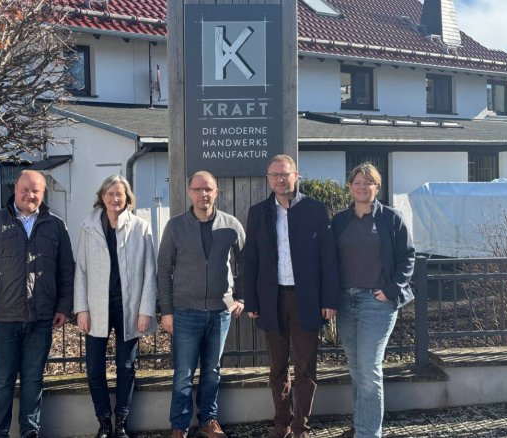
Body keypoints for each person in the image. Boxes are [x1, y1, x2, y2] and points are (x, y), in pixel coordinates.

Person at [0, 169, 75, 438]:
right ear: (15, 189)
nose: (30, 195)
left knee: (34, 381)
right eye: (25, 189)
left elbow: (66, 271)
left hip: (41, 319)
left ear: (43, 193)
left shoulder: (56, 226)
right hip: (3, 320)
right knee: (2, 383)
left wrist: (63, 306)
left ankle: (30, 432)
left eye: (36, 190)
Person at [244, 154, 341, 438]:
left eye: (284, 174)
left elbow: (328, 259)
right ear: (268, 178)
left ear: (295, 176)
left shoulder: (315, 209)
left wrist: (330, 299)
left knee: (305, 368)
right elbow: (251, 260)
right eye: (274, 175)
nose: (280, 179)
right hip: (271, 300)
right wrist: (251, 300)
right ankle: (282, 423)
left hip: (307, 300)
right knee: (276, 368)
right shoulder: (258, 212)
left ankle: (301, 426)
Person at [157, 171, 245, 438]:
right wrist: (167, 311)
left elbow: (247, 263)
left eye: (207, 189)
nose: (202, 194)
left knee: (212, 371)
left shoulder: (231, 225)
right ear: (189, 192)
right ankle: (179, 426)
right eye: (197, 189)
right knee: (183, 373)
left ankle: (208, 420)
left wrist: (240, 298)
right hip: (185, 312)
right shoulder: (175, 226)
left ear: (216, 192)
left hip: (220, 312)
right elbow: (163, 270)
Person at [331, 163, 415, 438]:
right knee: (356, 368)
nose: (362, 187)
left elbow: (407, 257)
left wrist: (391, 290)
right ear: (350, 186)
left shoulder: (391, 218)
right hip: (345, 302)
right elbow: (330, 261)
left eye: (368, 183)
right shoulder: (340, 221)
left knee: (369, 368)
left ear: (377, 187)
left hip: (376, 303)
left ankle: (369, 433)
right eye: (357, 182)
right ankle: (361, 426)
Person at [74, 175, 158, 438]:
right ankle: (103, 422)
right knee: (94, 369)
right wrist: (82, 309)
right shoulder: (88, 226)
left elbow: (149, 271)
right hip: (97, 307)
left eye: (120, 194)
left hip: (128, 308)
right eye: (110, 194)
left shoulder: (140, 227)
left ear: (127, 198)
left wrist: (145, 310)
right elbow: (81, 271)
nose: (115, 199)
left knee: (126, 367)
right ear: (102, 197)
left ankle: (121, 421)